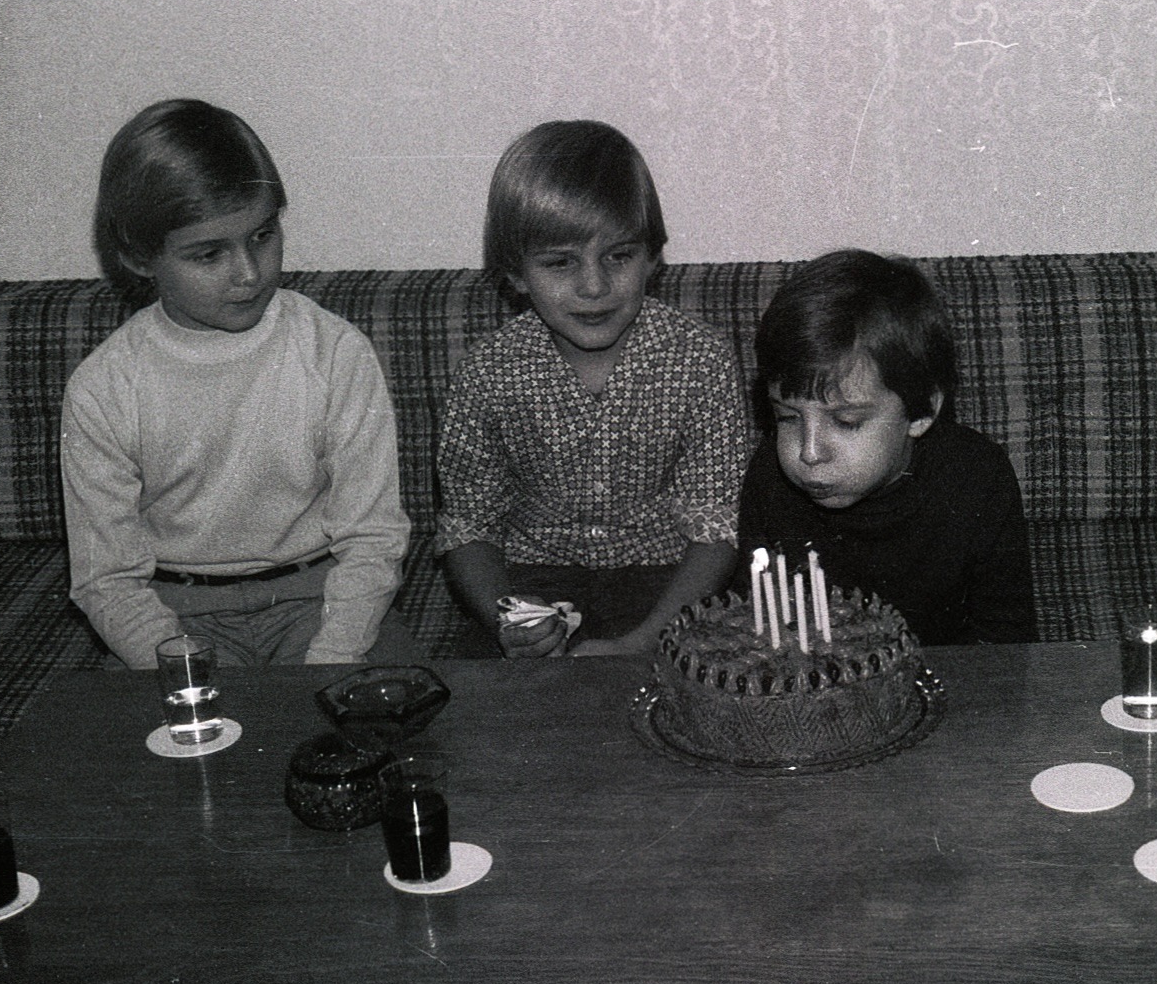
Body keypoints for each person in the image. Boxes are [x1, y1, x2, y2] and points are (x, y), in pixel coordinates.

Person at [62, 98, 419, 670]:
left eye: (262, 236)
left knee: (397, 722)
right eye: (208, 254)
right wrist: (182, 666)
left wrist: (330, 658)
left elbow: (374, 538)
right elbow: (107, 580)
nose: (249, 274)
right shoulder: (104, 388)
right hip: (173, 614)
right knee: (138, 749)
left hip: (322, 599)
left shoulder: (334, 351)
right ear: (137, 255)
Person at [436, 120, 749, 658]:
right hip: (529, 583)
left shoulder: (702, 361)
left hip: (671, 586)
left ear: (653, 256)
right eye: (560, 262)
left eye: (619, 256)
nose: (594, 286)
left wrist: (646, 641)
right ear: (515, 273)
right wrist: (509, 619)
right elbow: (468, 528)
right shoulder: (486, 374)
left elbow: (716, 528)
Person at [738, 249, 1037, 645]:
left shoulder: (977, 478)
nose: (808, 452)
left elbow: (1007, 646)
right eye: (787, 418)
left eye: (846, 421)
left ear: (922, 410)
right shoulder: (769, 478)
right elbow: (757, 629)